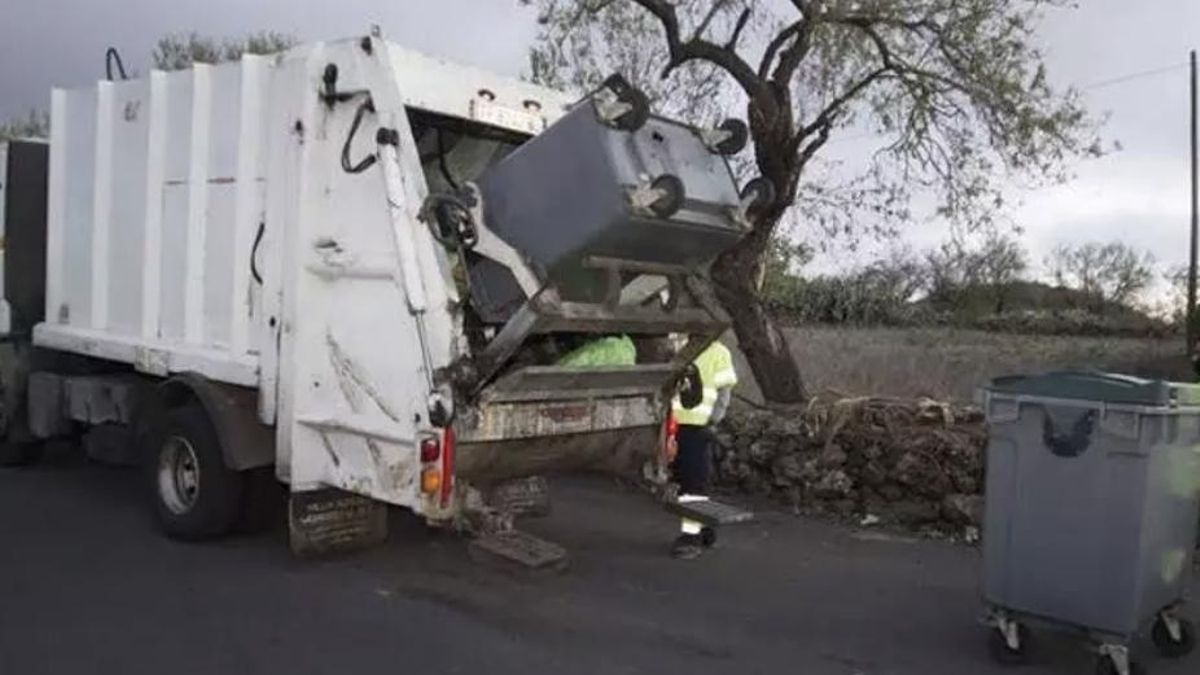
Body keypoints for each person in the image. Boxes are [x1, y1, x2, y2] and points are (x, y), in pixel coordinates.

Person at [669, 337, 737, 559]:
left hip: (698, 427)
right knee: (687, 480)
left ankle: (691, 538)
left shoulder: (718, 352)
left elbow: (724, 392)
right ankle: (705, 529)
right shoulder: (678, 346)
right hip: (675, 425)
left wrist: (713, 421)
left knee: (692, 482)